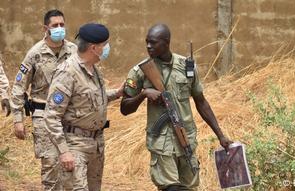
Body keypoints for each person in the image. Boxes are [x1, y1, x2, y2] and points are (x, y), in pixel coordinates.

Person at [120, 23, 232, 191]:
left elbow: (201, 102)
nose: (148, 46)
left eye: (153, 42)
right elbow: (124, 108)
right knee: (170, 188)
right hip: (161, 142)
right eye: (147, 42)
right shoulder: (140, 71)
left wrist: (220, 135)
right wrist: (143, 95)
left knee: (189, 187)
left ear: (166, 42)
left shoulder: (186, 67)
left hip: (186, 138)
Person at [44, 23, 124, 190]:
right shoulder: (67, 72)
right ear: (94, 48)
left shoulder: (93, 70)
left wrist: (117, 93)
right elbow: (51, 116)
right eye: (105, 44)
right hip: (75, 147)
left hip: (96, 146)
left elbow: (91, 99)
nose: (107, 48)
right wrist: (64, 151)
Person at [10, 9, 77, 190]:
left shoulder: (73, 51)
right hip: (44, 117)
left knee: (71, 169)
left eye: (62, 25)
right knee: (51, 168)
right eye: (55, 25)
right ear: (45, 28)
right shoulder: (35, 54)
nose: (59, 28)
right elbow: (19, 86)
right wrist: (18, 119)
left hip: (69, 118)